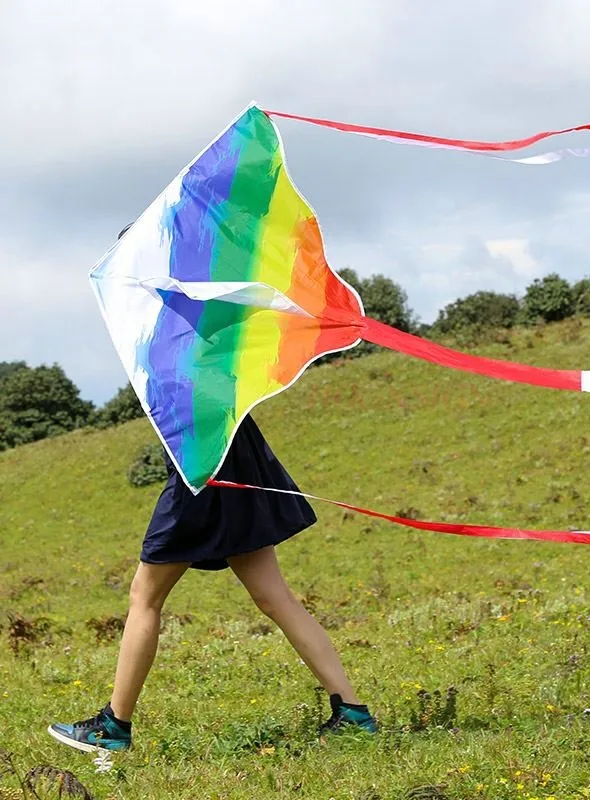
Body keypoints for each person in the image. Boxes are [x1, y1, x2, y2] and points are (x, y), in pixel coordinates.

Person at [47, 226, 376, 753]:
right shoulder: (198, 305)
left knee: (144, 595)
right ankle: (352, 711)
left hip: (205, 459)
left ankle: (113, 727)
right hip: (233, 446)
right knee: (273, 596)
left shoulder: (173, 314)